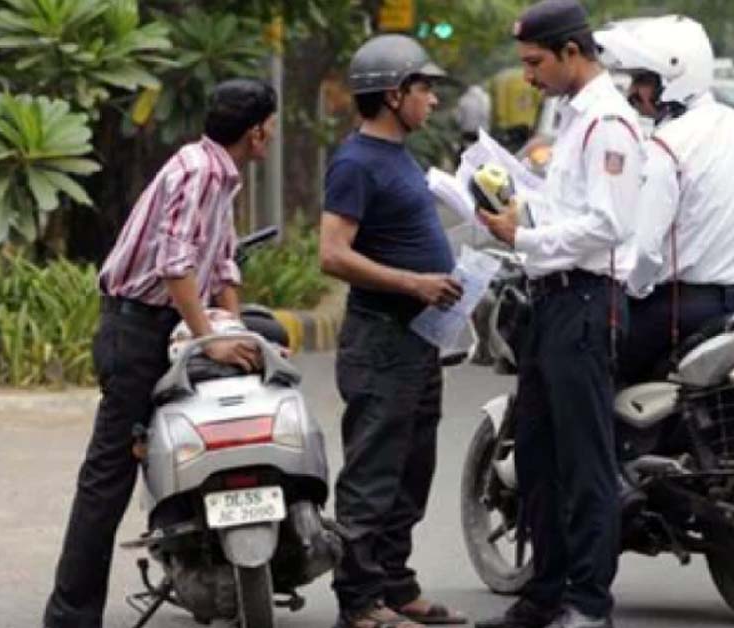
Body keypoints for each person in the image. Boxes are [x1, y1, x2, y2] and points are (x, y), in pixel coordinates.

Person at [42, 79, 278, 628]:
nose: (271, 133)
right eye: (271, 124)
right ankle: (69, 618)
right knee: (109, 476)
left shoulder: (220, 175)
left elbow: (220, 265)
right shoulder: (198, 171)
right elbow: (175, 266)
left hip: (166, 324)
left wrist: (233, 326)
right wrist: (210, 338)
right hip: (135, 331)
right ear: (258, 129)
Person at [476, 2, 643, 628]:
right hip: (549, 300)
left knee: (585, 459)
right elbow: (566, 206)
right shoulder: (573, 120)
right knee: (538, 456)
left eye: (535, 62)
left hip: (585, 301)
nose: (528, 76)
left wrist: (523, 237)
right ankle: (543, 593)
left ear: (572, 53)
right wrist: (517, 208)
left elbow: (609, 224)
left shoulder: (609, 123)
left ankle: (588, 603)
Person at [319, 34, 468, 628]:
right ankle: (358, 602)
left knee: (412, 468)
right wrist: (414, 284)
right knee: (373, 473)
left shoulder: (398, 156)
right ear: (392, 94)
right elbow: (332, 254)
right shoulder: (355, 162)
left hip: (417, 341)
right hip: (380, 339)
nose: (432, 99)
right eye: (424, 88)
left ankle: (395, 584)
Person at [593, 16, 734, 387]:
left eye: (643, 80)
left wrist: (627, 288)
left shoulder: (668, 145)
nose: (633, 92)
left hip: (682, 310)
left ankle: (606, 447)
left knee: (589, 369)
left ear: (673, 78)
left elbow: (644, 252)